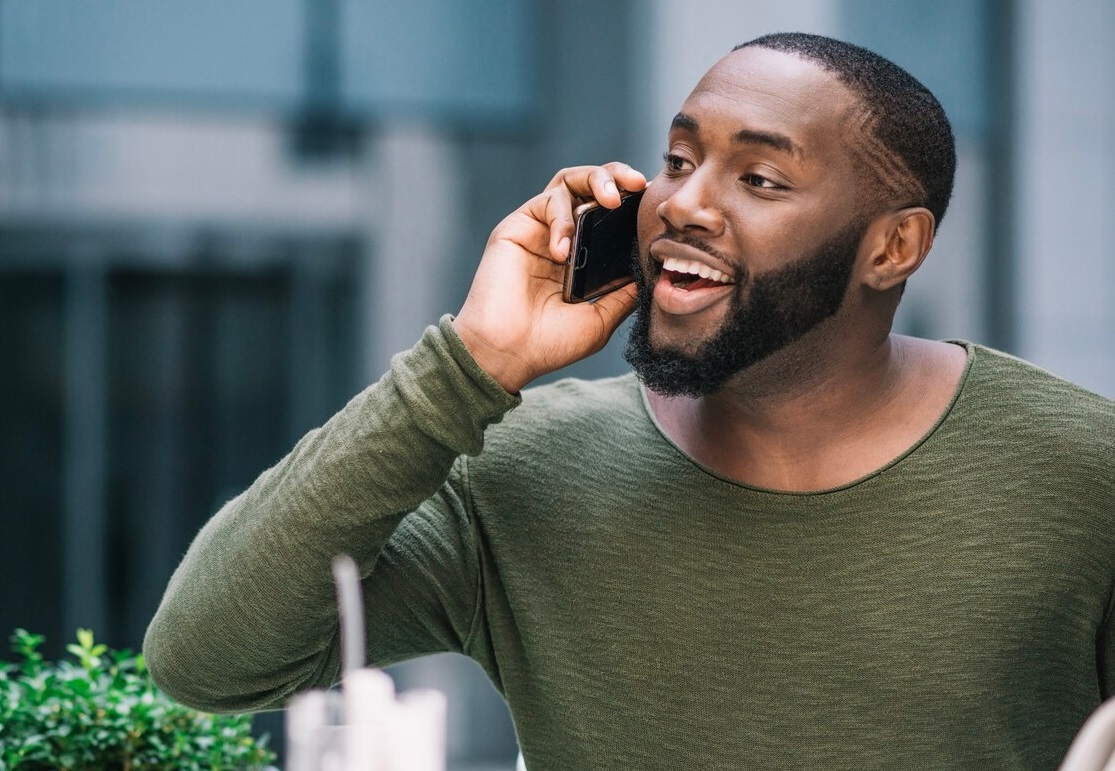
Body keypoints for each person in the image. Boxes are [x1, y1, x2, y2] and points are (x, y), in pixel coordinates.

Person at [144, 32, 1114, 770]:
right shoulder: (526, 468)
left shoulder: (1082, 474)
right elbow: (208, 661)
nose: (684, 203)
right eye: (680, 159)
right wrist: (470, 365)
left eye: (759, 177)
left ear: (890, 248)